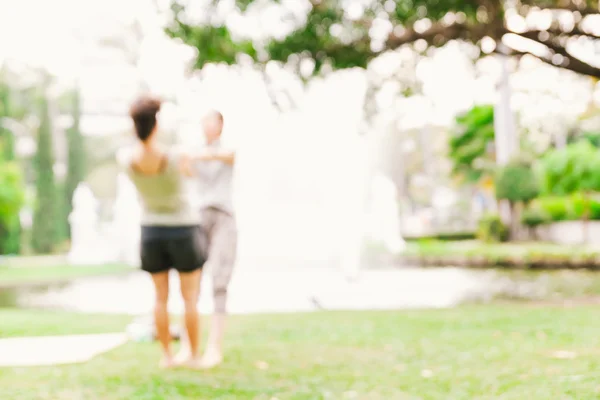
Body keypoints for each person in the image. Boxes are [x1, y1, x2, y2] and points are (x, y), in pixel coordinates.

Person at [118, 96, 207, 369]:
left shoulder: (127, 158)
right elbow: (193, 175)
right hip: (182, 228)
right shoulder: (175, 155)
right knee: (190, 298)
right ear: (155, 125)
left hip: (151, 231)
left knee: (160, 298)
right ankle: (192, 355)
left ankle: (167, 356)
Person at [176, 109, 237, 369]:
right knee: (192, 284)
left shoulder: (228, 147)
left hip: (223, 216)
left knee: (219, 283)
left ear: (221, 125)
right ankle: (188, 347)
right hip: (198, 217)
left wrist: (194, 155)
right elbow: (184, 168)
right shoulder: (194, 150)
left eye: (211, 122)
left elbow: (229, 157)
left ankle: (214, 347)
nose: (207, 126)